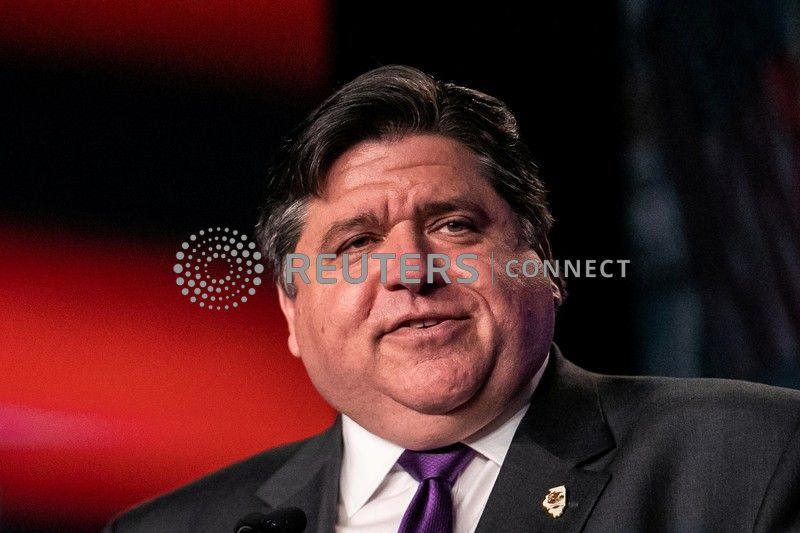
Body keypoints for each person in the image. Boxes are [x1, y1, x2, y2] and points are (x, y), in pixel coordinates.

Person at [104, 65, 800, 533]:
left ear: (541, 259)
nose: (411, 269)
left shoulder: (753, 458)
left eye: (455, 226)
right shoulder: (173, 528)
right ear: (291, 310)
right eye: (357, 244)